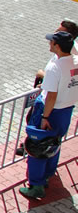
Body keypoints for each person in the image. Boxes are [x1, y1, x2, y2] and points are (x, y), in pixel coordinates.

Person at [19, 31, 78, 199]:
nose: (49, 44)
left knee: (38, 147)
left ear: (57, 46)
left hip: (51, 111)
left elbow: (51, 95)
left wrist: (45, 117)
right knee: (54, 143)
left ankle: (36, 185)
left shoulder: (55, 67)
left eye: (51, 42)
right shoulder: (76, 62)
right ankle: (47, 174)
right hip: (66, 110)